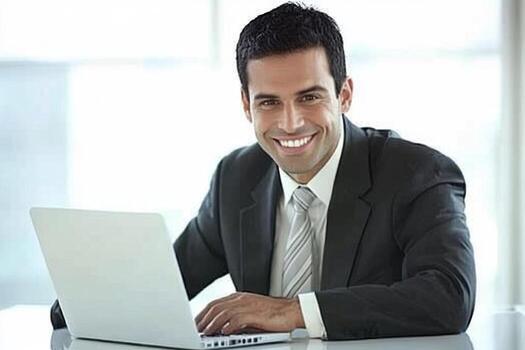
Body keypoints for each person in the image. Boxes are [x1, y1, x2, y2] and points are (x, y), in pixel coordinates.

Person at [50, 2, 476, 340]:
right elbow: (165, 281)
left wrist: (288, 310)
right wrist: (82, 299)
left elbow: (448, 297)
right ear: (245, 104)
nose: (290, 123)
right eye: (268, 102)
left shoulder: (417, 173)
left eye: (309, 97)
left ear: (344, 94)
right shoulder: (236, 177)